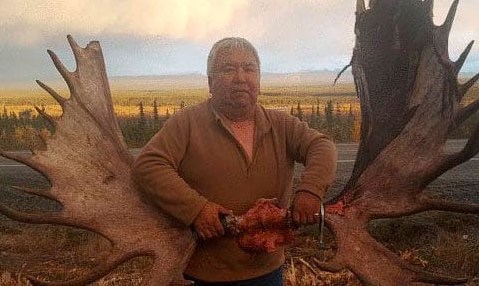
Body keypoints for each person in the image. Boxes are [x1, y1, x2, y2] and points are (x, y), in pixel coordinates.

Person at [132, 37, 337, 285]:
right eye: (228, 69)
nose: (241, 77)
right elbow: (148, 165)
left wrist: (311, 190)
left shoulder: (282, 125)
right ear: (210, 82)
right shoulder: (186, 124)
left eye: (249, 69)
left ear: (258, 81)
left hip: (268, 272)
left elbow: (322, 146)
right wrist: (196, 209)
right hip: (202, 274)